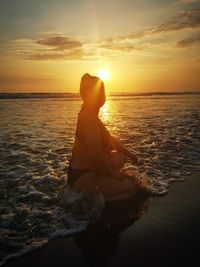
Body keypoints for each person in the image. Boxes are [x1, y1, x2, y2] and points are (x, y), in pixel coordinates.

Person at [68, 73, 141, 201]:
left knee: (121, 157)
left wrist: (130, 155)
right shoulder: (89, 119)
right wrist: (113, 175)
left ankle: (101, 182)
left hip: (87, 169)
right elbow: (96, 156)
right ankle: (88, 199)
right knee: (131, 188)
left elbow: (110, 140)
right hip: (81, 176)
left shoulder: (88, 114)